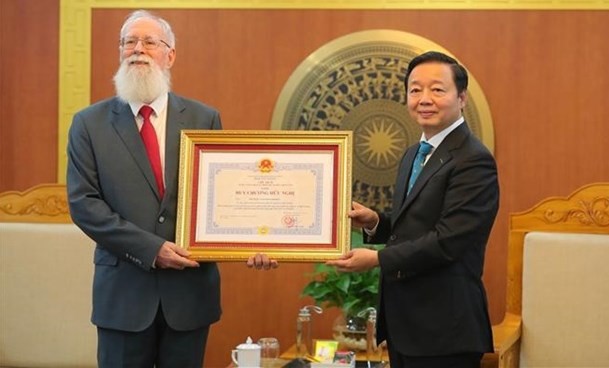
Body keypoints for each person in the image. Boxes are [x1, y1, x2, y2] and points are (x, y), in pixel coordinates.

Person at [66, 10, 276, 368]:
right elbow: (84, 204)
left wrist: (256, 240)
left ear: (170, 54)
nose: (138, 49)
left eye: (149, 42)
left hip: (190, 296)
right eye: (129, 42)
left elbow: (222, 198)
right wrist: (153, 249)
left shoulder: (204, 119)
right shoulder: (89, 123)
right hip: (124, 298)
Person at [327, 51, 499, 368]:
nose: (424, 98)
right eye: (415, 89)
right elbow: (415, 226)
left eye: (437, 89)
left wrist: (377, 258)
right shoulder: (413, 153)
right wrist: (376, 222)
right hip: (405, 324)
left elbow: (449, 240)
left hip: (445, 328)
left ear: (461, 98)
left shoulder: (474, 159)